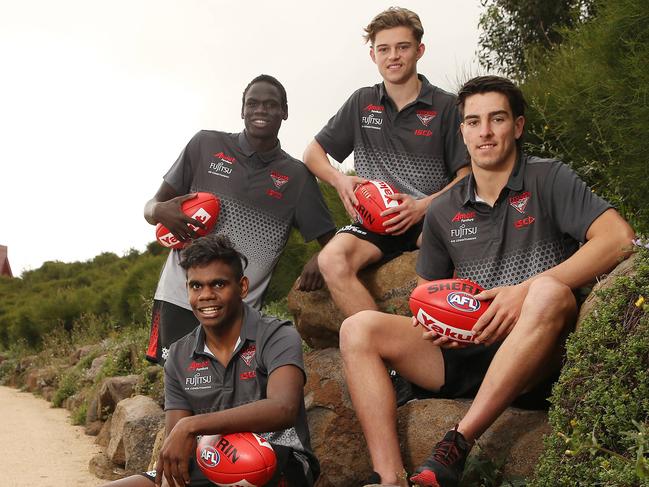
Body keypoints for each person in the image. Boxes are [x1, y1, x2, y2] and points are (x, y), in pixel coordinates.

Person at [339, 75, 635, 487]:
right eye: (473, 122)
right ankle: (389, 477)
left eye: (497, 119)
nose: (485, 132)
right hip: (471, 347)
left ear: (517, 126)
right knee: (358, 328)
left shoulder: (548, 179)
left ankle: (457, 443)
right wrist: (438, 325)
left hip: (536, 351)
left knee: (549, 292)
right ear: (462, 131)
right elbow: (425, 295)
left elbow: (619, 239)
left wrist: (524, 293)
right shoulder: (443, 210)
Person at [145, 74, 336, 364]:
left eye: (270, 104)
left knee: (227, 390)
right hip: (180, 297)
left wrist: (322, 258)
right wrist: (159, 211)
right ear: (242, 110)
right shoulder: (205, 145)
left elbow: (332, 242)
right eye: (253, 103)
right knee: (177, 388)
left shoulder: (297, 177)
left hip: (239, 309)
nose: (260, 110)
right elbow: (151, 207)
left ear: (284, 112)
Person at [103, 234, 319, 487]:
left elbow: (283, 409)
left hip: (278, 460)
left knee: (247, 463)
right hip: (209, 462)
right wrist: (182, 438)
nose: (206, 295)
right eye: (196, 286)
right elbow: (177, 443)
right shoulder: (179, 355)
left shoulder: (276, 335)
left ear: (242, 287)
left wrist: (192, 425)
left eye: (218, 284)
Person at [303, 7, 470, 318]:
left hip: (427, 217)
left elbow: (467, 176)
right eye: (384, 49)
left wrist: (423, 206)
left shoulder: (447, 106)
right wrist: (339, 180)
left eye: (402, 47)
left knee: (459, 249)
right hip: (373, 221)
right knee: (330, 261)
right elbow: (312, 153)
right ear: (373, 55)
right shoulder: (361, 102)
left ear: (419, 50)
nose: (393, 56)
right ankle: (383, 347)